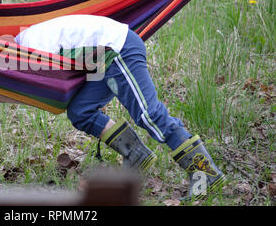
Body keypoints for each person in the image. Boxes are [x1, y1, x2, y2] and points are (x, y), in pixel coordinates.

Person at [15, 14, 226, 201]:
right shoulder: (29, 41)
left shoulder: (32, 47)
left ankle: (204, 173)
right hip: (102, 62)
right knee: (81, 112)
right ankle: (136, 155)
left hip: (118, 51)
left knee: (148, 115)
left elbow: (56, 86)